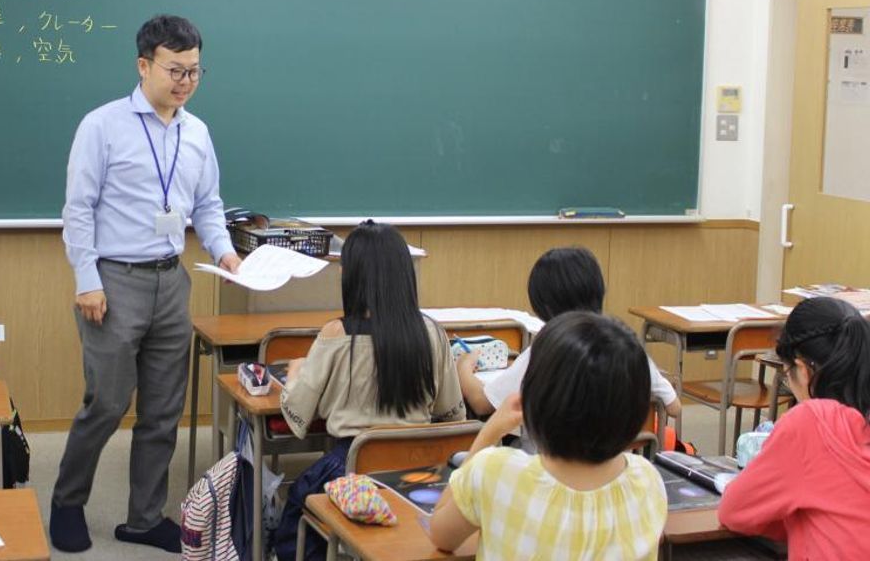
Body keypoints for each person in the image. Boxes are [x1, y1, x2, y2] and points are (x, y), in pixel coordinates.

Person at [53, 14, 241, 553]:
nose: (185, 81)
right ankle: (67, 502)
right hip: (113, 282)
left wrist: (225, 253)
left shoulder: (197, 132)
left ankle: (142, 517)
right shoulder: (103, 125)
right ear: (144, 65)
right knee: (107, 404)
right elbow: (79, 209)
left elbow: (207, 206)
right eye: (175, 69)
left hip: (170, 280)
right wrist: (86, 279)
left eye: (195, 71)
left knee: (163, 408)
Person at [273, 221, 466, 561]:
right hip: (419, 473)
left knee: (294, 512)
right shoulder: (432, 333)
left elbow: (297, 417)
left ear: (351, 275)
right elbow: (452, 413)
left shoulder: (336, 334)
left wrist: (294, 375)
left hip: (349, 468)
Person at [430, 311, 668, 559]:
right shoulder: (648, 480)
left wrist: (489, 431)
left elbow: (441, 535)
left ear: (536, 396)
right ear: (636, 409)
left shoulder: (495, 471)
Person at [718, 296, 870, 558]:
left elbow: (734, 512)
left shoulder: (810, 422)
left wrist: (794, 516)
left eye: (786, 374)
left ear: (802, 370)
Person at [458, 246, 681, 421]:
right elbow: (674, 408)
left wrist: (463, 369)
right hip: (612, 464)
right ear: (599, 289)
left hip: (547, 467)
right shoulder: (626, 345)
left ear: (542, 303)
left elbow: (482, 403)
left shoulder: (548, 350)